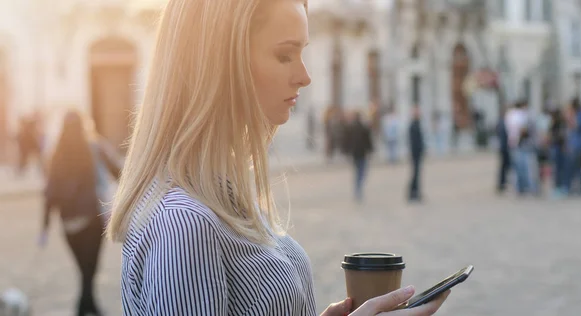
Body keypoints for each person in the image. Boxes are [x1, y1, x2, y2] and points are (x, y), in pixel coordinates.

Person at [106, 0, 450, 315]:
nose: (304, 76)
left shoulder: (223, 193)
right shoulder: (184, 223)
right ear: (221, 62)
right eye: (285, 55)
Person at [40, 110, 122, 316]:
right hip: (92, 221)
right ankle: (83, 307)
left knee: (84, 270)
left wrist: (45, 228)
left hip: (68, 225)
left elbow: (49, 193)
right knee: (89, 269)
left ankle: (89, 306)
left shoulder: (56, 155)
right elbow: (119, 172)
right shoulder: (94, 146)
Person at [345, 111, 374, 202]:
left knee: (358, 172)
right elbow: (368, 141)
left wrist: (347, 151)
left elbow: (347, 141)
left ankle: (357, 188)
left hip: (355, 153)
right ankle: (358, 188)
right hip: (362, 153)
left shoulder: (351, 128)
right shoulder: (363, 128)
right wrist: (370, 150)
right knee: (361, 172)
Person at [408, 105, 425, 202]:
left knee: (417, 174)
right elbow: (414, 141)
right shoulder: (413, 125)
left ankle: (416, 192)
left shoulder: (417, 124)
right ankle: (413, 193)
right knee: (415, 174)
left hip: (417, 153)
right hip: (415, 153)